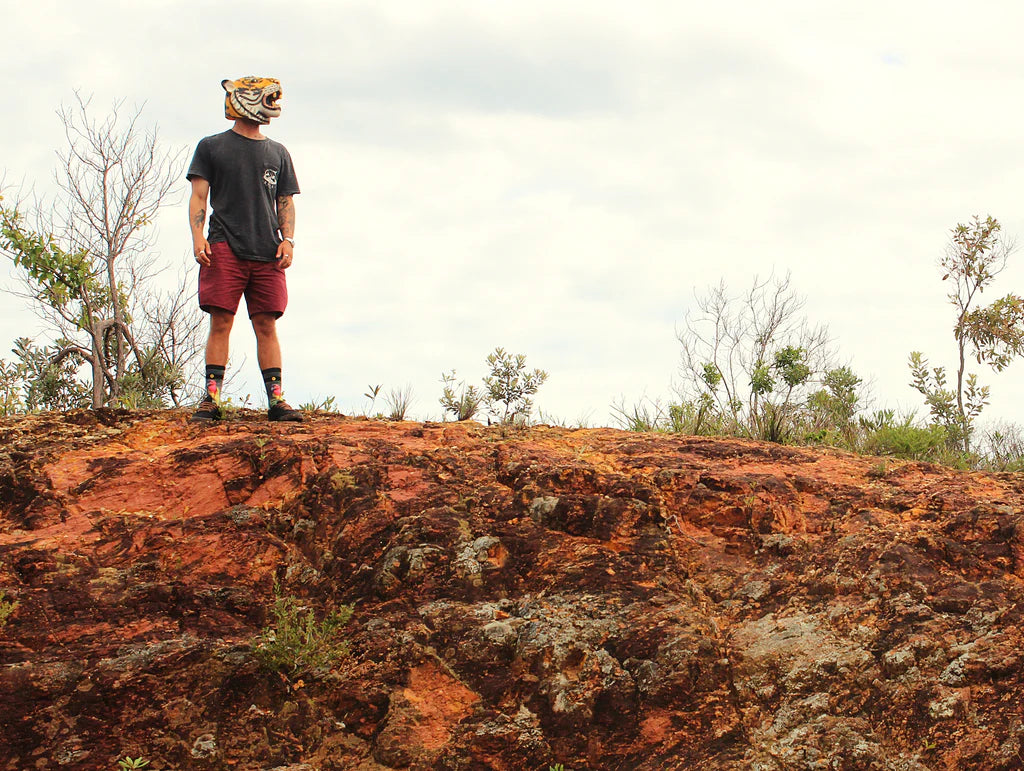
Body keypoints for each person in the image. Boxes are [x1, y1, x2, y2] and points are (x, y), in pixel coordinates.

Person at [187, 76, 303, 422]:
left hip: (268, 251)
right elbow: (198, 195)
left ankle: (276, 402)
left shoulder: (278, 152)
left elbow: (285, 200)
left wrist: (288, 239)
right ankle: (211, 400)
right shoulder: (212, 147)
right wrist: (197, 236)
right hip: (224, 244)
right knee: (221, 320)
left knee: (266, 323)